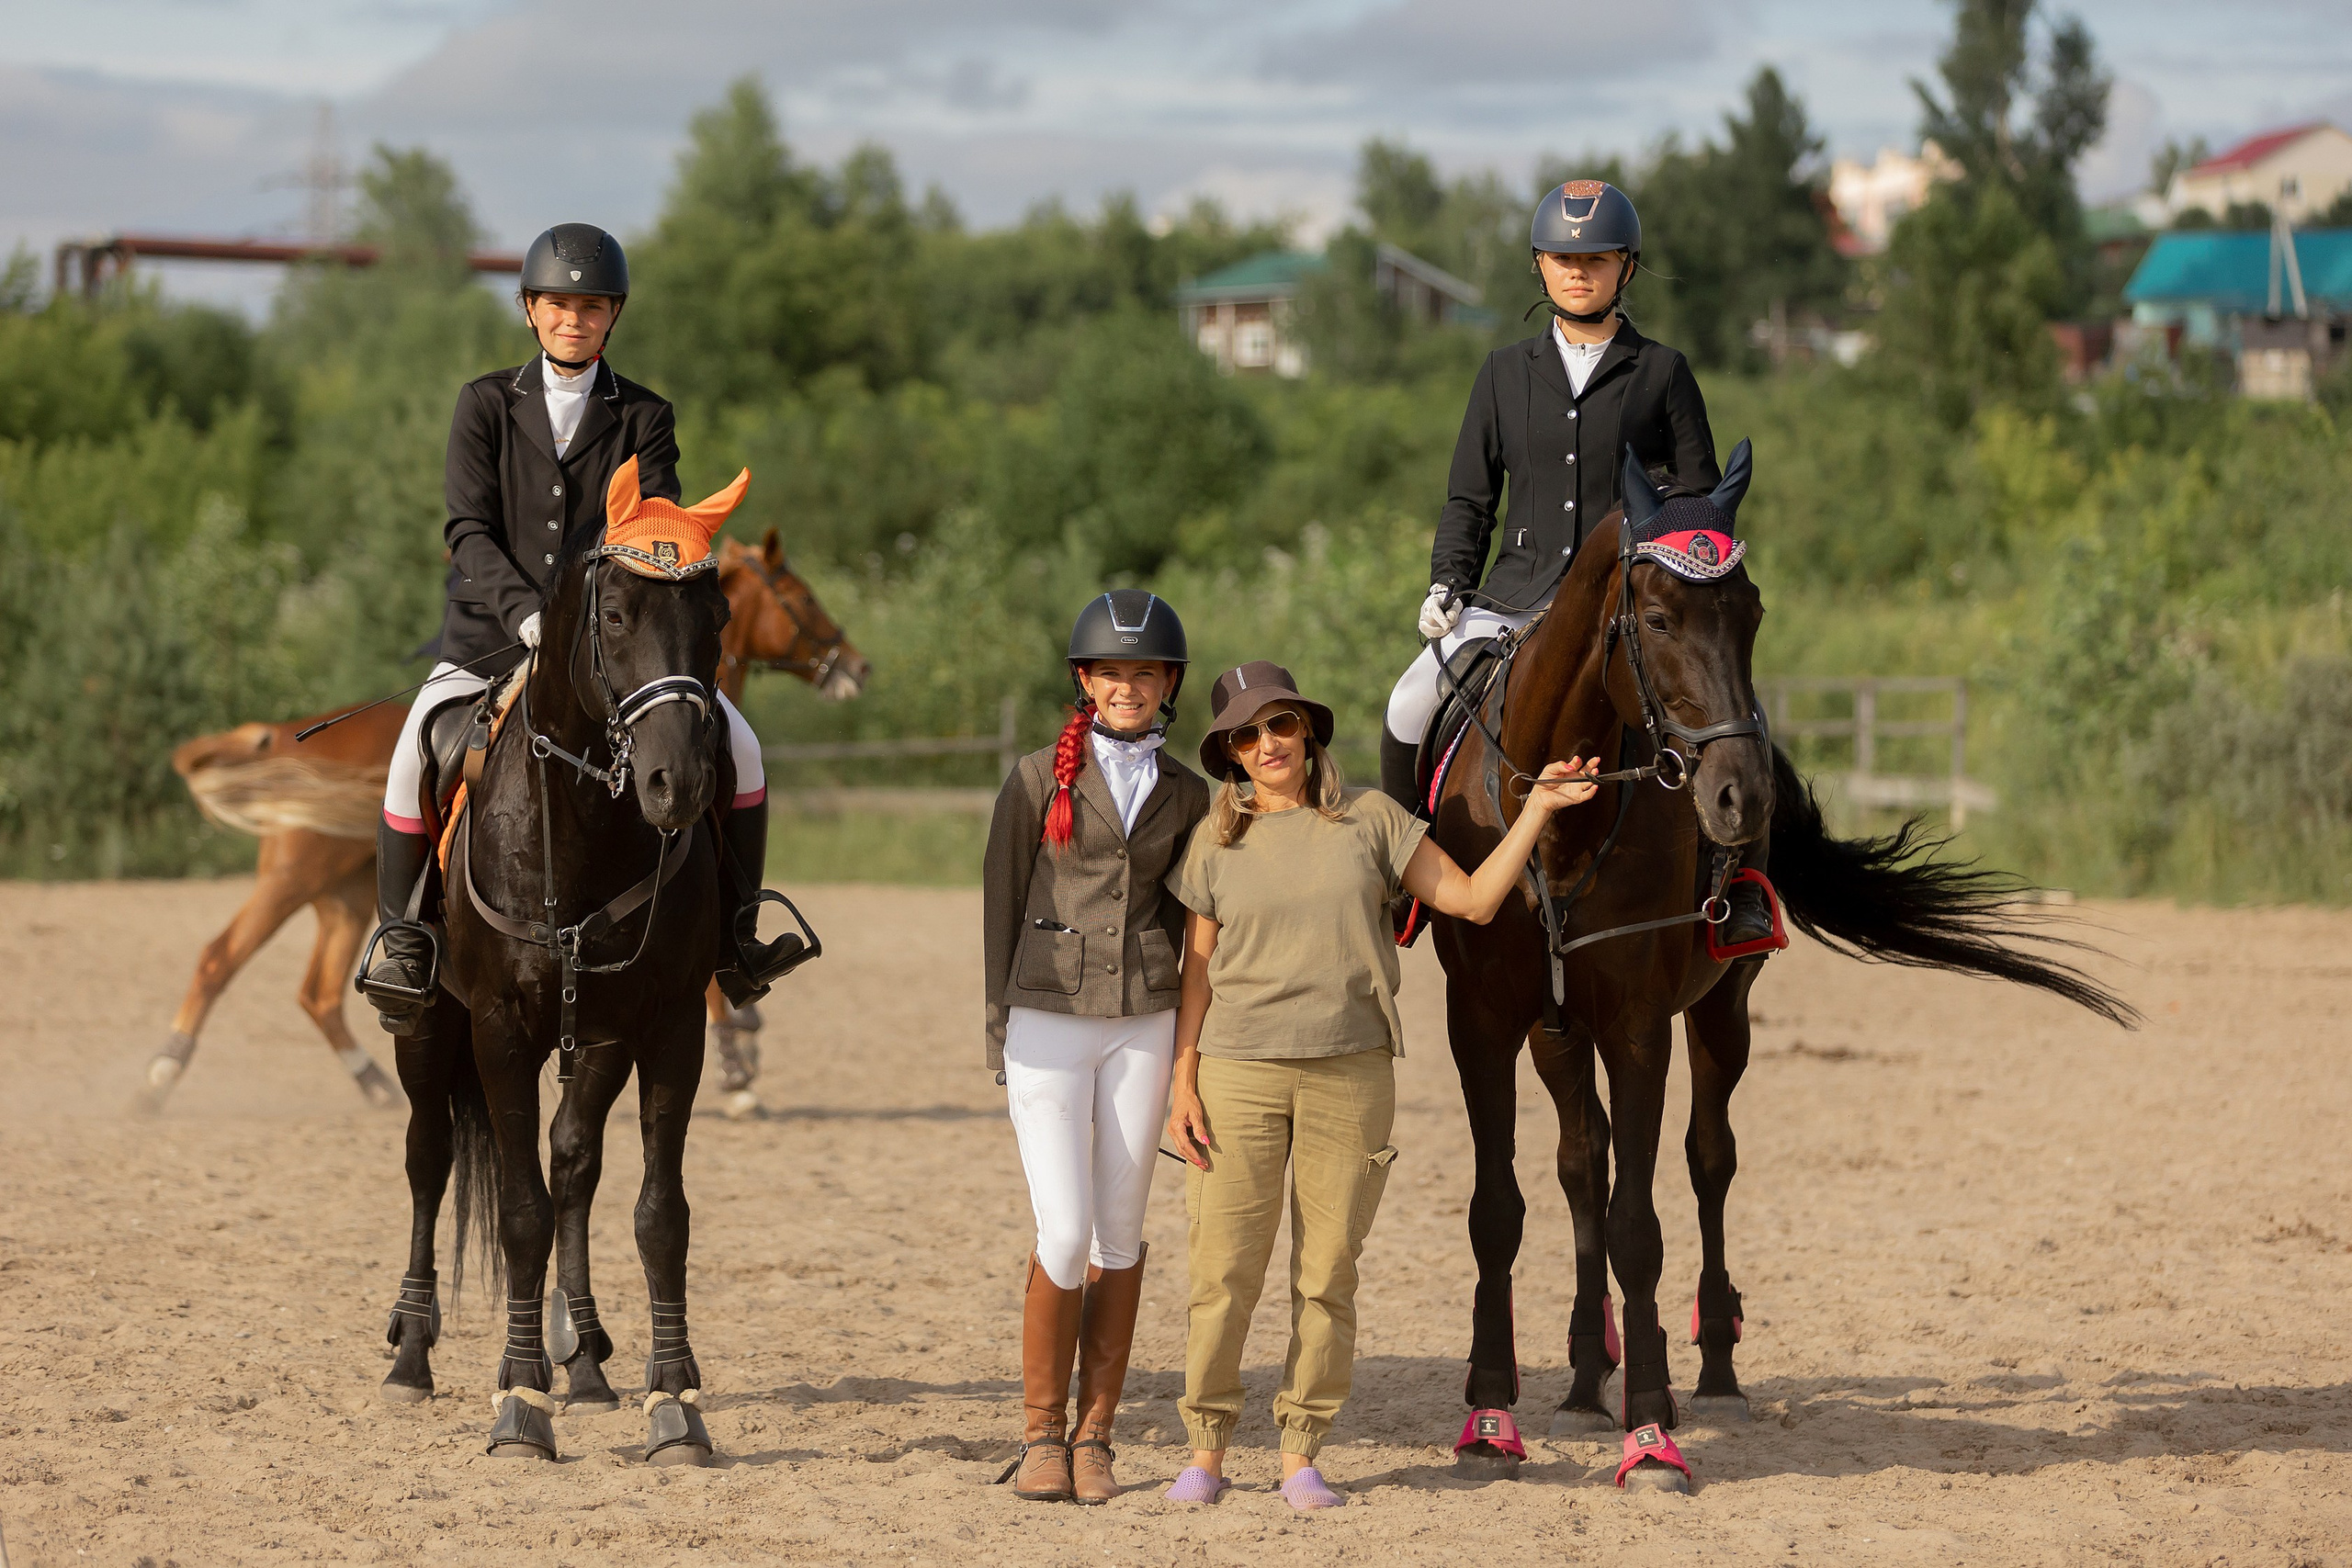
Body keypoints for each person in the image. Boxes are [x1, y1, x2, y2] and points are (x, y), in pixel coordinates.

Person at [1159, 661, 1597, 1511]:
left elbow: (1470, 900)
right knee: (1223, 1271)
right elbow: (1195, 976)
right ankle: (1205, 1450)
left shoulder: (1372, 818)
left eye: (1279, 723)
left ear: (1307, 730)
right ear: (1230, 754)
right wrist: (1183, 1079)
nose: (1267, 743)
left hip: (1351, 1075)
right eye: (1247, 735)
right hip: (1238, 1075)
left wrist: (1538, 807)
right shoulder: (1216, 839)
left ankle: (1299, 1453)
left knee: (1326, 1274)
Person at [359, 223, 787, 1032]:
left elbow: (653, 533)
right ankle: (402, 939)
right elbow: (466, 530)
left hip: (615, 648)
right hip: (489, 634)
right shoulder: (485, 403)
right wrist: (527, 616)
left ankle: (737, 936)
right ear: (529, 309)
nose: (573, 319)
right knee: (413, 746)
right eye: (558, 304)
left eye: (590, 307)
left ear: (612, 317)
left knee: (743, 747)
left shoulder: (646, 417)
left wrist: (609, 624)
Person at [1375, 178, 1771, 944]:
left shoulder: (1663, 372)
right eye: (1562, 257)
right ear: (1539, 266)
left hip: (1627, 611)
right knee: (1407, 703)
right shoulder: (1502, 373)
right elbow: (1470, 498)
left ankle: (1740, 884)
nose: (1578, 271)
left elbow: (1697, 507)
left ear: (1627, 265)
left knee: (1738, 717)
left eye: (1595, 257)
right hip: (1512, 599)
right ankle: (1407, 878)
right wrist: (1448, 583)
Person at [982, 591, 1212, 1506]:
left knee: (1119, 1235)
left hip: (1144, 1021)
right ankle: (1041, 1431)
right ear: (1086, 680)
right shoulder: (1036, 778)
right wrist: (996, 1024)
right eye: (1112, 672)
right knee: (1065, 1231)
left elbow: (1193, 920)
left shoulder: (1190, 792)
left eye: (1144, 673)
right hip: (1045, 1019)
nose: (1128, 686)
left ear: (1167, 686)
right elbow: (999, 900)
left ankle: (1095, 1434)